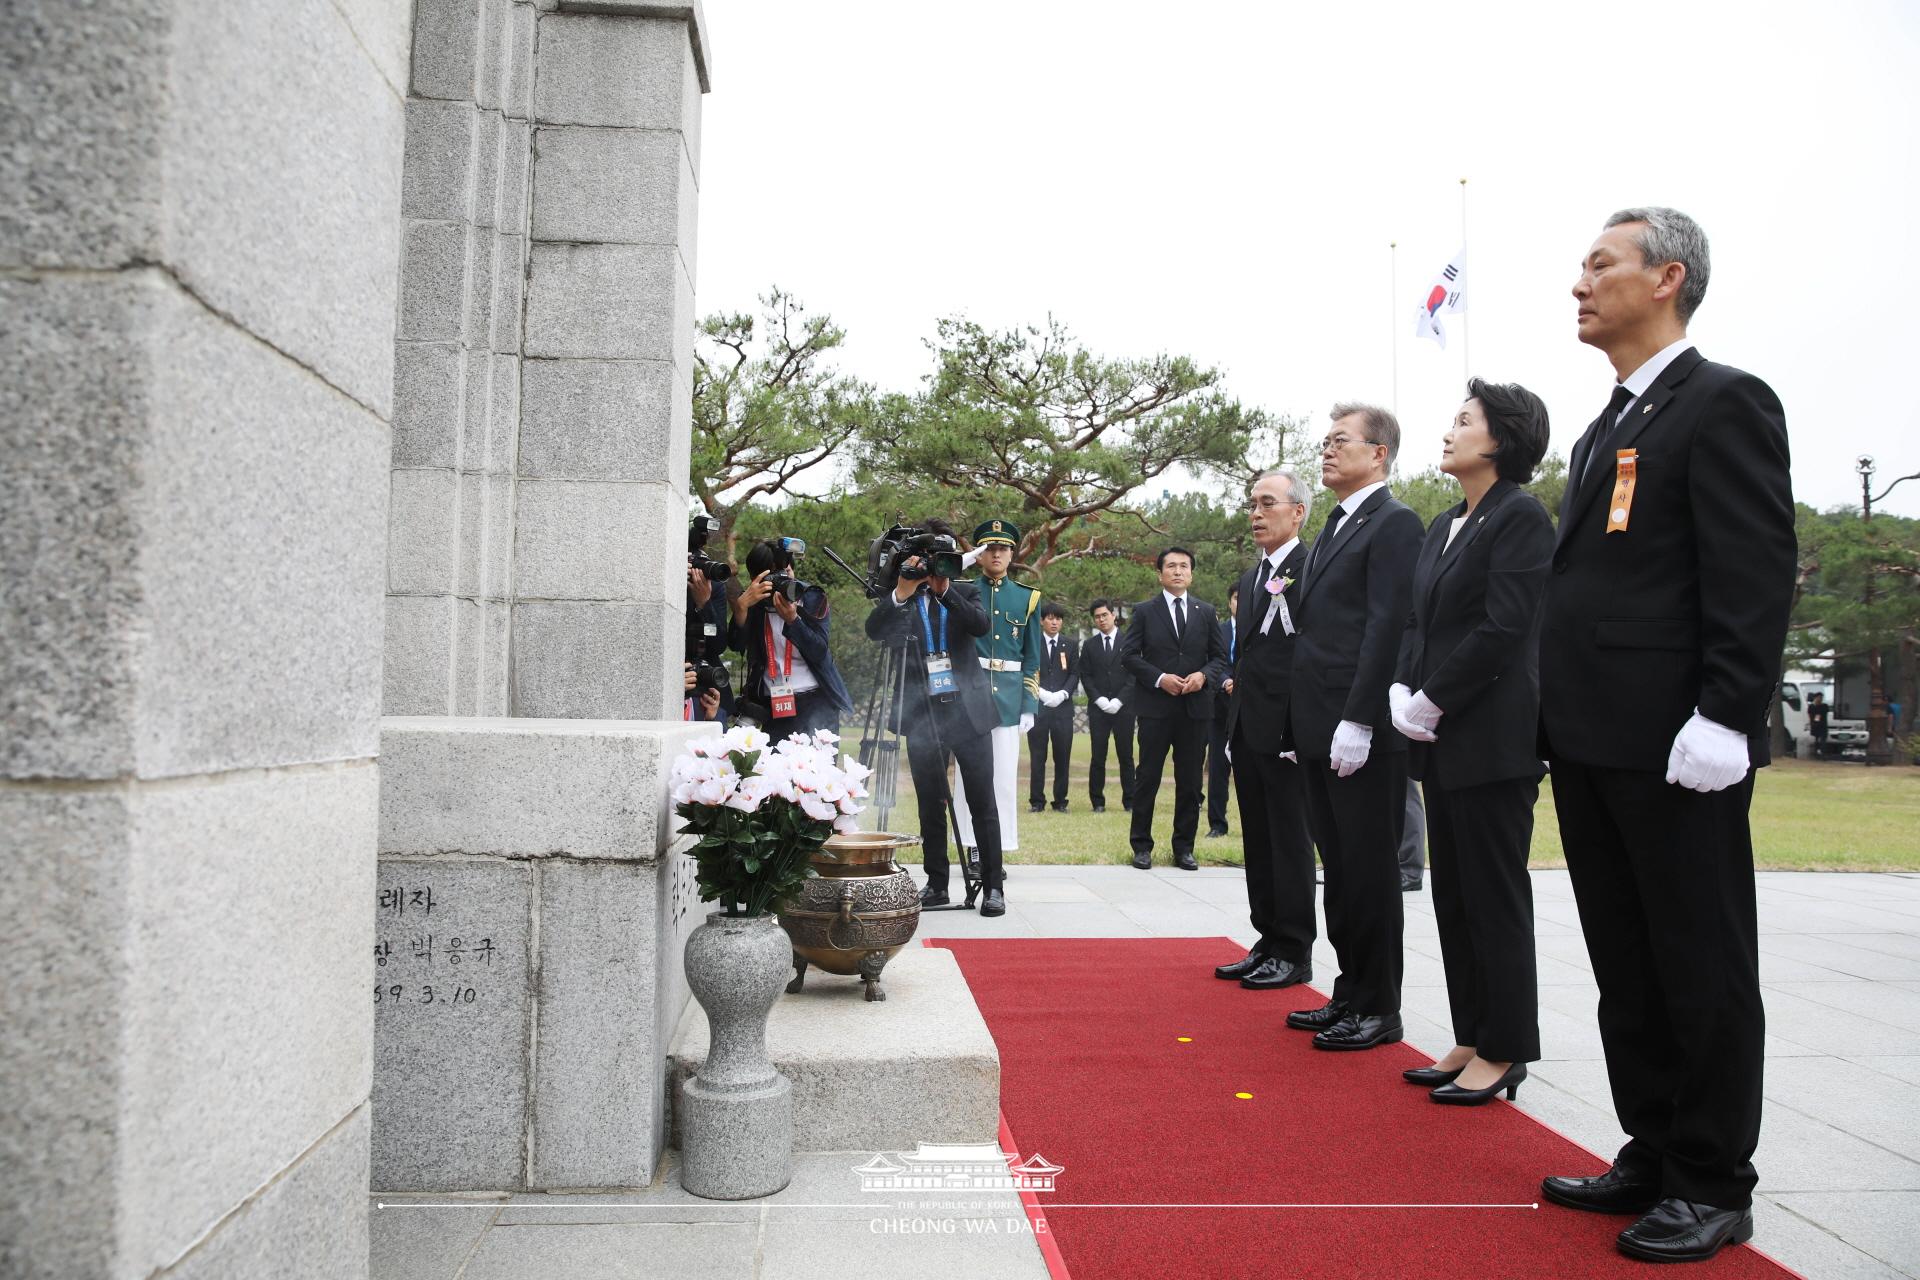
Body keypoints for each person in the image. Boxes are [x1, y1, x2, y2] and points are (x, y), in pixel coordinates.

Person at [1536, 208, 1795, 1264]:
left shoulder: (1723, 401)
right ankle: (1653, 1142)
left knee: (1700, 958)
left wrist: (1729, 713)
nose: (1579, 283)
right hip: (1595, 735)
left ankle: (1712, 1176)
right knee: (1628, 960)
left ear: (1668, 278)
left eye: (1601, 264)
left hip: (1681, 740)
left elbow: (1753, 567)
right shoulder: (1607, 420)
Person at [1388, 378, 1555, 1107]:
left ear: (1502, 438)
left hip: (1492, 737)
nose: (1449, 432)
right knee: (1454, 894)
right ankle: (1472, 1032)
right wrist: (1401, 687)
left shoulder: (1522, 519)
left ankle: (1507, 1046)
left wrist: (1433, 696)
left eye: (1465, 421)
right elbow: (1418, 623)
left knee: (1494, 895)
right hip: (1440, 736)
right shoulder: (1444, 523)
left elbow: (1505, 627)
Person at [1283, 404, 1423, 1051]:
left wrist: (1360, 719)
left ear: (1379, 454)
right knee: (1338, 870)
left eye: (1342, 441)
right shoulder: (1337, 527)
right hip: (1320, 726)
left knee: (1368, 871)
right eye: (1326, 441)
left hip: (1358, 729)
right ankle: (1351, 989)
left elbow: (1387, 625)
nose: (1328, 450)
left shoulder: (1393, 524)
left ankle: (1380, 1004)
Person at [864, 525, 1008, 917]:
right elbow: (874, 631)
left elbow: (980, 626)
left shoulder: (965, 591)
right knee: (931, 803)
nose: (935, 569)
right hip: (922, 714)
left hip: (968, 712)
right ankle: (937, 883)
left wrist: (944, 590)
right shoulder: (904, 595)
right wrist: (902, 592)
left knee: (983, 801)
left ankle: (993, 885)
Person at [1214, 469, 1317, 990]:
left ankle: (1295, 947)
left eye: (1268, 503)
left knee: (1289, 839)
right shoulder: (1254, 576)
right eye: (1252, 504)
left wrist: (1300, 731)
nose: (1256, 513)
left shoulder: (1310, 567)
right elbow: (1246, 658)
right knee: (1258, 837)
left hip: (1288, 733)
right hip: (1249, 728)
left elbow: (1307, 655)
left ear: (1297, 511)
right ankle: (1268, 937)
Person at [1120, 547, 1230, 870]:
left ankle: (1184, 847)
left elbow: (1219, 658)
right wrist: (1159, 678)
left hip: (1195, 710)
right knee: (1147, 778)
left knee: (1191, 782)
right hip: (1155, 709)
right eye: (1171, 566)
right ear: (1160, 573)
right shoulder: (1143, 611)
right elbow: (1129, 656)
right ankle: (1141, 846)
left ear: (1192, 573)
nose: (1178, 571)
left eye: (1184, 566)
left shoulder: (1206, 612)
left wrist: (1203, 676)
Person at [950, 520, 1042, 860]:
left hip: (1008, 697)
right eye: (989, 548)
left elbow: (1032, 658)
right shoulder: (959, 591)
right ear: (979, 553)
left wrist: (1029, 704)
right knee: (967, 777)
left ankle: (996, 850)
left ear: (1012, 553)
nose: (997, 554)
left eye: (1003, 548)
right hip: (969, 694)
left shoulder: (1028, 598)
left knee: (1002, 778)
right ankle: (973, 848)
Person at [729, 540, 853, 744]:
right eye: (773, 578)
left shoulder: (811, 597)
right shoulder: (754, 604)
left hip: (816, 701)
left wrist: (794, 621)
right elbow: (736, 645)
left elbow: (819, 651)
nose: (782, 582)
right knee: (776, 771)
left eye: (785, 573)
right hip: (774, 705)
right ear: (755, 579)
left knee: (815, 772)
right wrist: (741, 608)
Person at [1080, 599, 1135, 812]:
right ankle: (1098, 802)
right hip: (1099, 709)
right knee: (1097, 757)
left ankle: (1130, 801)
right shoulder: (1090, 645)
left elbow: (1134, 674)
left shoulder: (1129, 642)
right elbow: (1085, 675)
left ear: (1113, 615)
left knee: (1126, 756)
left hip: (1125, 708)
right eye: (1097, 617)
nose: (1101, 619)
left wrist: (1120, 699)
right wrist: (1099, 699)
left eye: (1104, 615)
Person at [1028, 602, 1078, 812]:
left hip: (1062, 710)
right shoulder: (1032, 643)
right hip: (1039, 708)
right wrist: (1041, 693)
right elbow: (1028, 670)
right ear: (1041, 621)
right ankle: (1037, 801)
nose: (1054, 622)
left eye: (1058, 618)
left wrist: (1063, 693)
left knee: (1062, 757)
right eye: (1049, 618)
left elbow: (1075, 673)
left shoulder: (1070, 644)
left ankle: (1060, 801)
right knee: (1038, 757)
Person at [1205, 585, 1239, 837]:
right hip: (1220, 709)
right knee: (1218, 769)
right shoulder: (1219, 630)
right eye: (1235, 599)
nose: (1240, 603)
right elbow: (1212, 660)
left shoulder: (1259, 628)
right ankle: (1217, 824)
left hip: (1250, 709)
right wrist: (1226, 681)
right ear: (1230, 603)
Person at [1806, 690, 1829, 757]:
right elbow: (1810, 715)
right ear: (1815, 698)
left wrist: (1816, 720)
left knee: (1823, 741)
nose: (1820, 699)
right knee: (1815, 741)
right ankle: (1815, 754)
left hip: (1822, 726)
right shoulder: (1811, 707)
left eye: (1821, 698)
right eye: (1819, 697)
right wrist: (1812, 723)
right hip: (1815, 726)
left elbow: (1819, 715)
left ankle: (1823, 754)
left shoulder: (1824, 706)